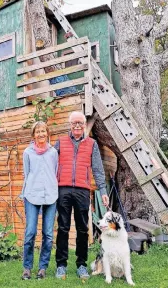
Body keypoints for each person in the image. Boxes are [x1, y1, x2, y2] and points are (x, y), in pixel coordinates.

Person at [54, 111, 109, 280]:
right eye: (74, 123)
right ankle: (61, 265)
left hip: (82, 191)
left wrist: (103, 192)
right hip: (62, 189)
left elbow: (98, 170)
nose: (77, 125)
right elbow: (49, 165)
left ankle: (81, 265)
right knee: (62, 227)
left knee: (82, 229)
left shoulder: (92, 144)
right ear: (70, 125)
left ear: (84, 125)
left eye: (80, 123)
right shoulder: (60, 142)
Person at [20, 121, 59, 280]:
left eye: (43, 131)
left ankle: (43, 268)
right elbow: (26, 173)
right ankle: (27, 268)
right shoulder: (27, 152)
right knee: (30, 232)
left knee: (48, 234)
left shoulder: (53, 153)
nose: (41, 134)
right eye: (38, 132)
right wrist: (24, 193)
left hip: (50, 195)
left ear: (47, 133)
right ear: (33, 135)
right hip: (32, 194)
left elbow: (55, 172)